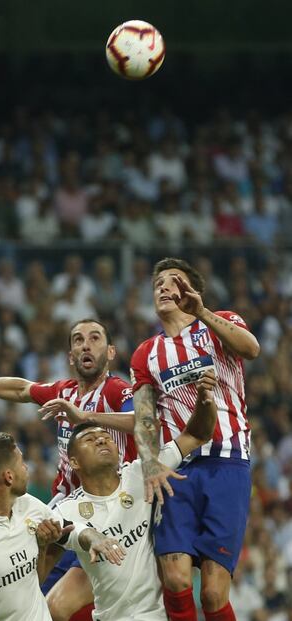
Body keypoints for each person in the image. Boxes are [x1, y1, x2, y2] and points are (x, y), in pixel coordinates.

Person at [0, 318, 138, 619]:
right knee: (33, 593)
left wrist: (85, 416)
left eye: (95, 338)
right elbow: (21, 389)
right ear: (70, 355)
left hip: (109, 507)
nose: (86, 345)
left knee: (61, 602)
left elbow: (144, 422)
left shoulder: (117, 391)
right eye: (78, 340)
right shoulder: (64, 391)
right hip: (65, 505)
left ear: (111, 352)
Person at [130, 257, 260, 621]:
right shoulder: (146, 353)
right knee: (173, 577)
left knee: (215, 594)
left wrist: (203, 312)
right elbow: (143, 415)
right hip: (178, 467)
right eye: (158, 284)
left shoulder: (220, 323)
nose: (164, 288)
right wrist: (151, 461)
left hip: (228, 462)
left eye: (174, 281)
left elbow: (251, 349)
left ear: (193, 291)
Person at [38, 368, 217, 621]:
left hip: (155, 616)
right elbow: (69, 533)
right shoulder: (65, 509)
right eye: (90, 439)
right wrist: (88, 536)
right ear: (74, 462)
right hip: (109, 616)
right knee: (53, 606)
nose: (101, 440)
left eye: (105, 437)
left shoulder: (142, 473)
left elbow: (197, 434)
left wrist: (205, 399)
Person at [0, 432, 124, 621]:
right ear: (9, 476)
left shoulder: (29, 506)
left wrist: (94, 538)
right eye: (21, 463)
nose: (27, 468)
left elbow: (70, 531)